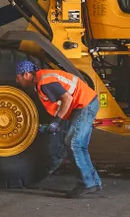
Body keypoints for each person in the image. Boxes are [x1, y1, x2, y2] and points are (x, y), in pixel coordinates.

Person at [14, 60, 103, 198]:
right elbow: (61, 104)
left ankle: (85, 183)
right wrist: (52, 125)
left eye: (18, 77)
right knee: (80, 146)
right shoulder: (41, 81)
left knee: (73, 144)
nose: (16, 80)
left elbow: (67, 99)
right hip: (86, 103)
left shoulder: (44, 82)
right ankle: (94, 181)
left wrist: (57, 121)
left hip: (84, 105)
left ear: (26, 74)